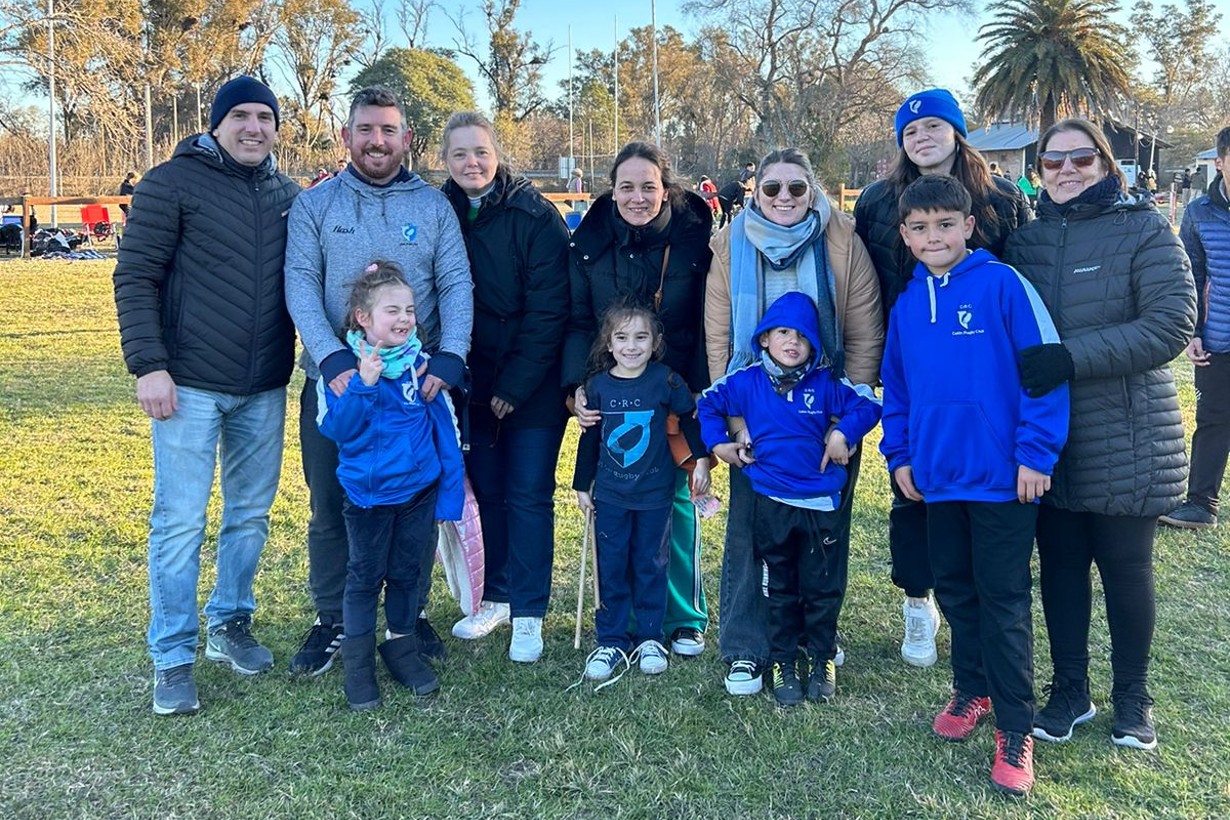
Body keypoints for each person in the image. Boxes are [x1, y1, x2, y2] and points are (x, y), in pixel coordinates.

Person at [1002, 118, 1196, 752]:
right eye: (1052, 163)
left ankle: (1133, 697)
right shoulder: (1025, 243)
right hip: (1049, 436)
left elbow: (1170, 325)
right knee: (1059, 569)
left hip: (1127, 429)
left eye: (1079, 160)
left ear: (1107, 164)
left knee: (1125, 569)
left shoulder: (1146, 230)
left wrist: (1071, 356)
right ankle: (1070, 689)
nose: (1065, 172)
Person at [113, 75, 299, 715]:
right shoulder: (172, 184)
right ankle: (171, 653)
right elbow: (135, 277)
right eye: (242, 116)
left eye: (265, 118)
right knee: (180, 522)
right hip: (187, 384)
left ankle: (230, 622)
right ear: (217, 123)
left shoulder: (287, 194)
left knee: (248, 517)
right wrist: (148, 365)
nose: (254, 127)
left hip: (264, 387)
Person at [881, 174, 1069, 796]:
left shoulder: (1003, 285)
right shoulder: (908, 305)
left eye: (944, 224)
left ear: (968, 226)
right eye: (919, 227)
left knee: (1004, 601)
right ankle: (973, 689)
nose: (932, 236)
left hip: (1004, 481)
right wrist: (900, 455)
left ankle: (1016, 729)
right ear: (906, 236)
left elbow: (1044, 371)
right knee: (957, 592)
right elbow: (899, 390)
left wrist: (1035, 455)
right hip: (937, 479)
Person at [284, 86, 473, 677]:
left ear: (406, 140)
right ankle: (334, 618)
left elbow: (457, 285)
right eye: (366, 129)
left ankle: (406, 617)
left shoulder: (434, 208)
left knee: (413, 505)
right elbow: (300, 285)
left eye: (389, 130)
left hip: (416, 389)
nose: (377, 141)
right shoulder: (317, 207)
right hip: (340, 386)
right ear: (347, 136)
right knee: (333, 505)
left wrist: (449, 358)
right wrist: (333, 361)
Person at [853, 88, 1031, 669]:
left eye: (934, 125)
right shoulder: (878, 201)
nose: (923, 136)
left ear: (956, 131)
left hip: (984, 368)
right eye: (911, 130)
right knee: (912, 490)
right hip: (910, 358)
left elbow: (1020, 282)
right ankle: (916, 602)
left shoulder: (1001, 196)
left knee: (982, 500)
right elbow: (867, 279)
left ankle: (983, 610)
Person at [705, 147, 883, 696]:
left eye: (796, 189)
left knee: (821, 541)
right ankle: (745, 646)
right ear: (755, 192)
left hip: (823, 415)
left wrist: (845, 425)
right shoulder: (729, 243)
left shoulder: (841, 240)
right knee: (748, 540)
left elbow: (861, 329)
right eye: (772, 188)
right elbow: (719, 336)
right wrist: (734, 425)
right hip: (755, 415)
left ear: (814, 191)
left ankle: (814, 639)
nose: (784, 198)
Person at [565, 140, 714, 659]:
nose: (637, 196)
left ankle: (683, 616)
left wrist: (697, 393)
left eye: (648, 186)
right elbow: (580, 321)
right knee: (621, 507)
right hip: (618, 391)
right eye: (626, 186)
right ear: (612, 189)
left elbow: (704, 317)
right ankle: (626, 619)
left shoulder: (696, 238)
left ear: (665, 187)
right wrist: (576, 388)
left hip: (676, 389)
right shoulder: (588, 242)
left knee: (676, 502)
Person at [699, 291, 881, 706]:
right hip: (770, 502)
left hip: (820, 505)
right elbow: (708, 405)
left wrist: (841, 433)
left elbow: (869, 405)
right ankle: (781, 660)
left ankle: (820, 657)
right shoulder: (745, 382)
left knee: (822, 587)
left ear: (815, 346)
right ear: (764, 338)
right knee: (777, 586)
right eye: (782, 331)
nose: (792, 342)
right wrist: (720, 445)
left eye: (803, 335)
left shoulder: (827, 384)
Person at [438, 112, 570, 662]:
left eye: (480, 151)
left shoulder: (535, 215)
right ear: (444, 159)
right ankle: (495, 595)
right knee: (487, 491)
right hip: (473, 380)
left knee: (529, 494)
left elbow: (549, 308)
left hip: (531, 382)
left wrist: (514, 385)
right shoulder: (438, 209)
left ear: (497, 153)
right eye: (460, 154)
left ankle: (531, 612)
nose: (472, 163)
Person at [317, 262, 464, 710]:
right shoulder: (344, 374)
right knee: (364, 579)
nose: (404, 319)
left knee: (406, 574)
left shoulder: (421, 368)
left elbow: (447, 436)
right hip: (366, 500)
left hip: (417, 495)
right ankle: (358, 667)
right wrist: (364, 384)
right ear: (363, 318)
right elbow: (338, 431)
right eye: (392, 311)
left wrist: (449, 497)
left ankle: (401, 649)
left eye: (410, 310)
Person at [573, 304, 710, 683]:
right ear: (608, 343)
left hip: (655, 494)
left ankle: (651, 637)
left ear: (656, 342)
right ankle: (612, 640)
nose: (631, 346)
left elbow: (688, 422)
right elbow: (589, 440)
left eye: (641, 337)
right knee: (612, 566)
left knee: (652, 564)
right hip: (612, 496)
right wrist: (582, 485)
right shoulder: (598, 386)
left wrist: (700, 461)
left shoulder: (667, 381)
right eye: (622, 338)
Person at [1161, 127, 1230, 530]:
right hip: (1219, 339)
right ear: (1220, 162)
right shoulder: (1200, 213)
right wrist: (1194, 332)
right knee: (1213, 421)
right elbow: (1190, 276)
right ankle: (1202, 503)